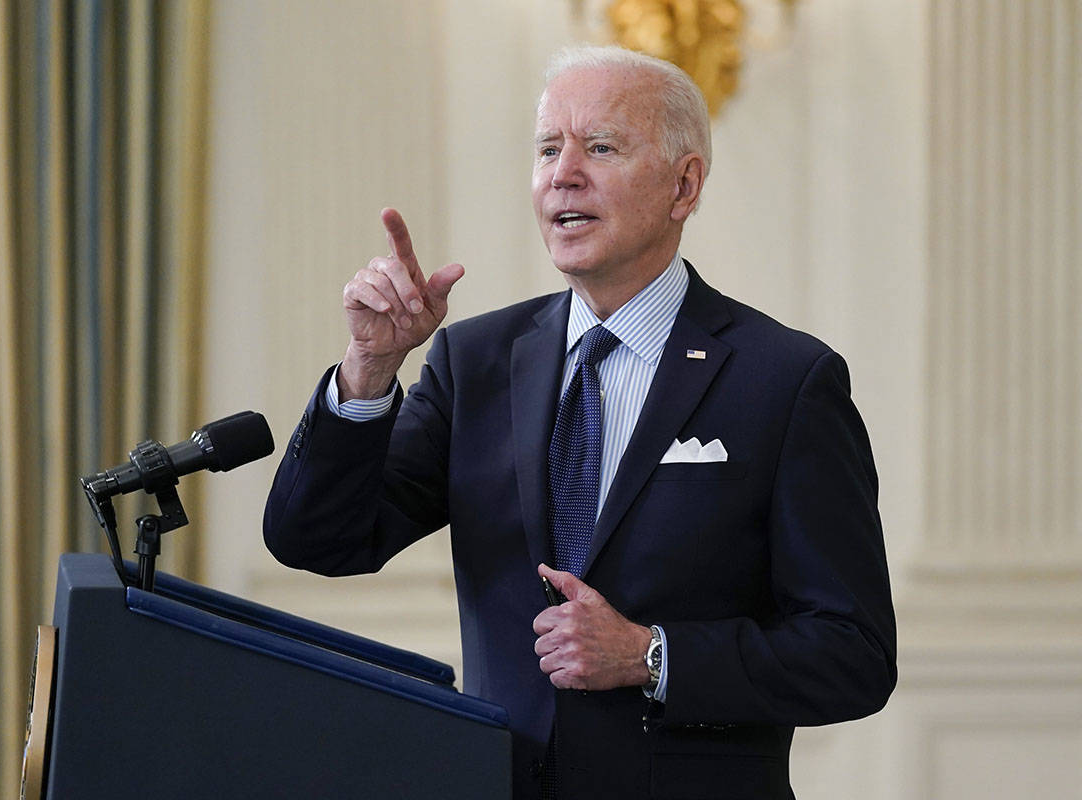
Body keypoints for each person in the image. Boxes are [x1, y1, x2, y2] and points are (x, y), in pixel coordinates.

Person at [264, 45, 897, 800]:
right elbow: (318, 539)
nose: (563, 173)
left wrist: (652, 656)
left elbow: (851, 653)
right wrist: (367, 370)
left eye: (600, 147)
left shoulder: (785, 381)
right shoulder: (476, 363)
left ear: (683, 185)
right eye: (546, 149)